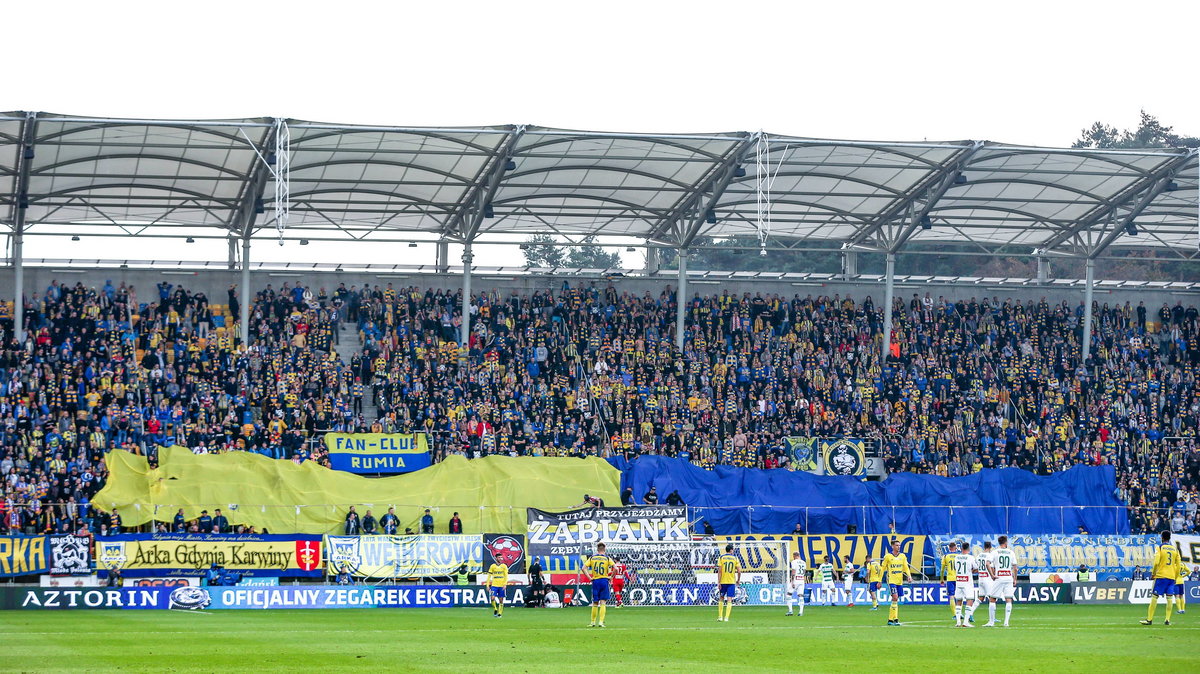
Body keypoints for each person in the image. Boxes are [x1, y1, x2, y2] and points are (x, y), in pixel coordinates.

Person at [1142, 530, 1180, 625]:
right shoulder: (1175, 550)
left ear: (1162, 538)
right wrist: (1175, 577)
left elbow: (1156, 562)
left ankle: (1149, 620)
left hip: (1161, 576)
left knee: (1155, 597)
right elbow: (1178, 566)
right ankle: (1167, 620)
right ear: (1169, 538)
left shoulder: (1160, 547)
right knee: (1170, 598)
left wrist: (1153, 573)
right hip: (1171, 577)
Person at [882, 539, 914, 626]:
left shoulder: (903, 556)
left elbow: (906, 567)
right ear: (892, 546)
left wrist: (909, 576)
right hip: (891, 580)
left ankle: (894, 619)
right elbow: (883, 568)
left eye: (899, 545)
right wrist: (879, 580)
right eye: (897, 545)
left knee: (896, 600)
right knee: (895, 597)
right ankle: (890, 620)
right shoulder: (888, 556)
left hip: (899, 581)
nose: (898, 547)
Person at [989, 535, 1017, 627]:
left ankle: (991, 622)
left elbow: (987, 563)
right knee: (1008, 599)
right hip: (1008, 577)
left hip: (999, 577)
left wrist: (992, 575)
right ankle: (1006, 622)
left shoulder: (995, 552)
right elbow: (1015, 568)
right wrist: (1015, 579)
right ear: (1006, 542)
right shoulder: (1011, 552)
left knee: (992, 599)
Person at [584, 542, 614, 627]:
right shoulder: (607, 558)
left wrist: (589, 578)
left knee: (595, 602)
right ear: (604, 549)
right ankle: (601, 622)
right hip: (604, 580)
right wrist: (611, 577)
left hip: (595, 580)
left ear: (597, 549)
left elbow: (583, 568)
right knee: (603, 602)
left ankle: (592, 622)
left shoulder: (592, 558)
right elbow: (615, 568)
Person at [953, 542, 979, 627]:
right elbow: (976, 568)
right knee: (970, 599)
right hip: (967, 582)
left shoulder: (956, 557)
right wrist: (970, 572)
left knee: (959, 601)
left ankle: (958, 622)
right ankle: (965, 622)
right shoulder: (970, 558)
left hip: (959, 581)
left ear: (961, 548)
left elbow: (955, 568)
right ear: (968, 549)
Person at [715, 543, 741, 622]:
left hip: (723, 581)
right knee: (729, 599)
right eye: (733, 549)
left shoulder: (721, 557)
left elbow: (719, 571)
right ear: (731, 550)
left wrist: (719, 582)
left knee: (721, 598)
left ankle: (720, 617)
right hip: (731, 582)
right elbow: (739, 571)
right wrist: (738, 580)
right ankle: (726, 618)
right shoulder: (735, 558)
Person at [977, 541, 996, 626]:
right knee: (992, 598)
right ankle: (992, 620)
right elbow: (990, 567)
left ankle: (970, 613)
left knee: (980, 597)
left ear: (984, 547)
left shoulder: (979, 555)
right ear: (990, 547)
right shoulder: (990, 556)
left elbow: (976, 567)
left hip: (980, 578)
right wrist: (993, 575)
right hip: (987, 578)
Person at [940, 541, 960, 620]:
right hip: (959, 578)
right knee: (959, 596)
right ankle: (959, 613)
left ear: (949, 548)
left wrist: (941, 579)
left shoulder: (945, 556)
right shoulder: (959, 556)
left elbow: (942, 570)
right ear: (955, 547)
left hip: (950, 578)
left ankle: (955, 614)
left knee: (951, 596)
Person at [786, 550, 807, 616]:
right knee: (800, 595)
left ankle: (790, 611)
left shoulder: (794, 562)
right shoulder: (804, 562)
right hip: (801, 580)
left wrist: (792, 581)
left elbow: (793, 572)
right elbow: (804, 572)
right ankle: (801, 612)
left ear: (794, 556)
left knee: (789, 594)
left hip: (796, 580)